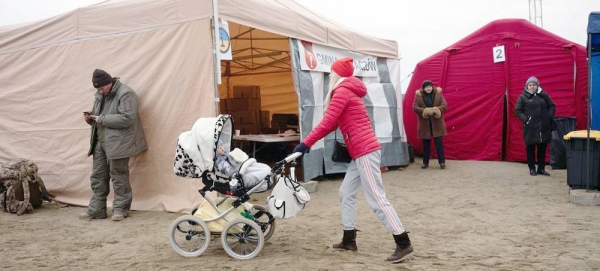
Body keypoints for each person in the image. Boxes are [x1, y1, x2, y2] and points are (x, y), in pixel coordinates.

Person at [293, 58, 414, 263]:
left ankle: (403, 243)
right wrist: (307, 144)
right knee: (345, 192)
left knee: (377, 198)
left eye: (332, 72)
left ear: (337, 74)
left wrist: (304, 145)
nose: (330, 75)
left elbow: (327, 123)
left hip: (364, 150)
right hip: (361, 151)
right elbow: (333, 124)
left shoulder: (341, 91)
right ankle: (349, 239)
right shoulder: (349, 90)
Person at [80, 69, 147, 221]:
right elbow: (100, 115)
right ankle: (96, 210)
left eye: (101, 88)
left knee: (119, 177)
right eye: (97, 89)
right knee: (97, 176)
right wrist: (91, 117)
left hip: (119, 143)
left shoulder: (126, 93)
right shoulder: (100, 93)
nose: (100, 91)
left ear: (109, 83)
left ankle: (120, 210)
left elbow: (127, 118)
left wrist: (101, 119)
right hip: (100, 141)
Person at [515, 76, 556, 176]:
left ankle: (541, 169)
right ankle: (532, 168)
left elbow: (552, 106)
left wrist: (548, 117)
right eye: (530, 85)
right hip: (530, 128)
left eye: (534, 85)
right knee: (531, 149)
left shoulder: (543, 95)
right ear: (527, 86)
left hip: (543, 127)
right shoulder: (522, 97)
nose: (532, 87)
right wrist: (526, 119)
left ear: (537, 86)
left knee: (542, 149)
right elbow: (517, 111)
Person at [412, 80, 447, 169]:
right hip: (425, 124)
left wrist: (436, 110)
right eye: (427, 87)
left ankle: (442, 162)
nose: (428, 88)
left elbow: (444, 105)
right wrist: (425, 111)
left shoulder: (439, 94)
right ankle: (425, 163)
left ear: (432, 87)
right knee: (426, 144)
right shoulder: (418, 96)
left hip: (437, 123)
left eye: (430, 87)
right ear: (423, 88)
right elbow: (415, 107)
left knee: (439, 143)